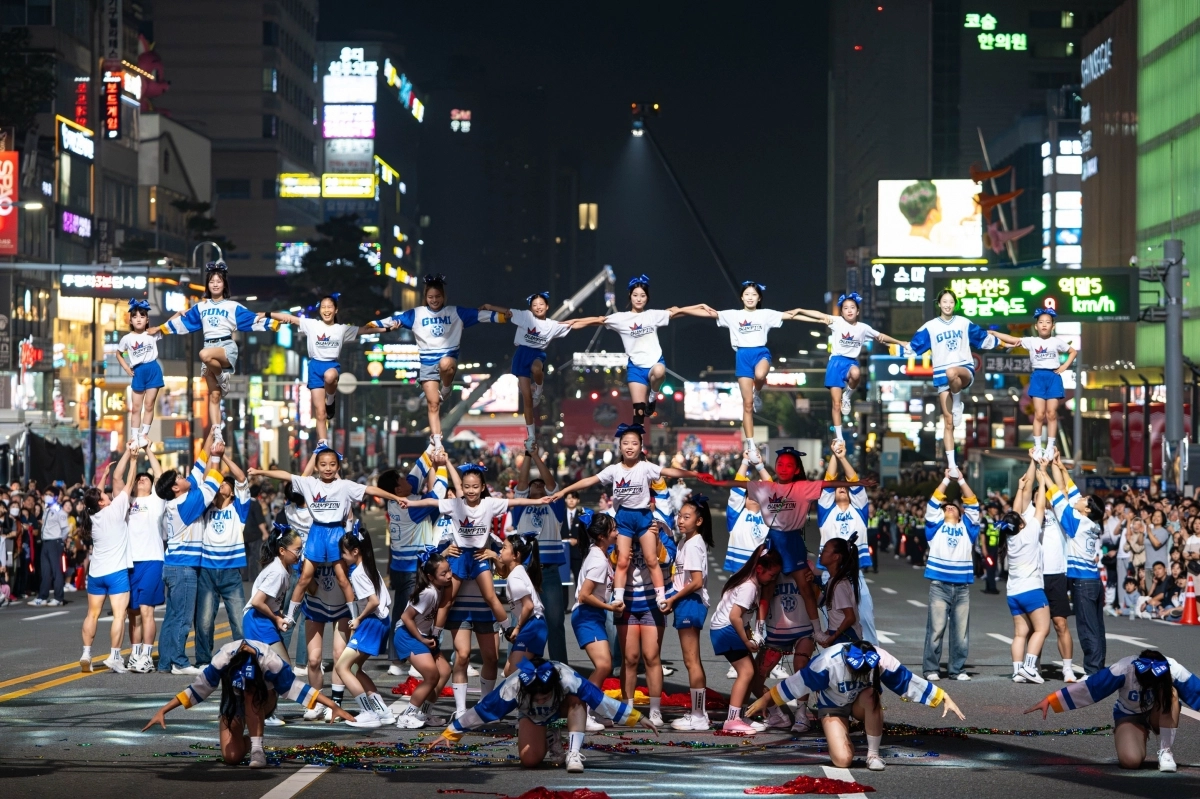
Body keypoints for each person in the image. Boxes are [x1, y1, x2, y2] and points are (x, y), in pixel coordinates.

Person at [249, 445, 404, 634]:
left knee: (342, 579)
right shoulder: (309, 484)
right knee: (304, 578)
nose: (328, 468)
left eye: (332, 464)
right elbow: (285, 475)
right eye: (323, 464)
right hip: (317, 532)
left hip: (336, 533)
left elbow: (371, 490)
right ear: (316, 467)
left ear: (338, 466)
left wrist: (394, 497)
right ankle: (289, 616)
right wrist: (258, 471)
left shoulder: (345, 485)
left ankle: (354, 617)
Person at [551, 424, 700, 616]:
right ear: (620, 447)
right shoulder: (613, 470)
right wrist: (563, 491)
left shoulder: (646, 467)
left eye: (634, 443)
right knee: (622, 561)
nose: (630, 447)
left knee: (651, 560)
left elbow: (669, 472)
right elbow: (589, 481)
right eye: (626, 443)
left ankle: (661, 597)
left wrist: (693, 474)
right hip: (624, 519)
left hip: (644, 517)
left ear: (640, 447)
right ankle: (619, 598)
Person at [748, 641, 965, 771]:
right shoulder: (826, 663)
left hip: (861, 703)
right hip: (833, 706)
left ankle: (873, 754)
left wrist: (942, 696)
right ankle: (839, 734)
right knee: (843, 760)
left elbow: (906, 681)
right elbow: (795, 684)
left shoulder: (879, 658)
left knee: (871, 693)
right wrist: (764, 700)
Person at [398, 458, 549, 644]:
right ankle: (435, 635)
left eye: (475, 487)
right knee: (447, 600)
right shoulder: (455, 504)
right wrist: (410, 503)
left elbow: (515, 502)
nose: (471, 491)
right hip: (460, 555)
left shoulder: (489, 504)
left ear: (483, 486)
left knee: (490, 596)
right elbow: (431, 502)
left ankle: (506, 628)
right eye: (467, 487)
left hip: (479, 556)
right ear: (462, 486)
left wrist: (539, 500)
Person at [142, 639, 354, 768]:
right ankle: (247, 737)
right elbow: (197, 689)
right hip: (232, 698)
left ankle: (257, 749)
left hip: (264, 696)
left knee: (251, 697)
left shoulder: (271, 662)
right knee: (231, 757)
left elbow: (299, 689)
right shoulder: (222, 660)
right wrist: (164, 710)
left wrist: (333, 705)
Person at [428, 657, 656, 774]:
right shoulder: (513, 686)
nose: (540, 699)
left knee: (579, 699)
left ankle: (574, 754)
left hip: (565, 706)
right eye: (536, 696)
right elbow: (484, 710)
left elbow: (600, 700)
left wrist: (637, 717)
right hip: (532, 717)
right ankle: (549, 732)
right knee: (530, 760)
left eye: (544, 695)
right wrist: (452, 732)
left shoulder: (567, 678)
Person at [672, 281, 806, 452]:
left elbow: (792, 315)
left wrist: (822, 319)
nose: (750, 297)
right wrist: (680, 310)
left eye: (754, 295)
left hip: (760, 353)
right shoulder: (732, 315)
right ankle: (750, 444)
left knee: (759, 375)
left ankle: (757, 391)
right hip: (742, 356)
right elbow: (705, 313)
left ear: (759, 298)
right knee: (747, 405)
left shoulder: (766, 314)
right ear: (742, 297)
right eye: (747, 294)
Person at [378, 274, 504, 451]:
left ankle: (446, 387)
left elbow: (490, 316)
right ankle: (437, 441)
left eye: (437, 296)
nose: (434, 300)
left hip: (447, 361)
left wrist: (505, 315)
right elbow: (385, 323)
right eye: (430, 297)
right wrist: (363, 329)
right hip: (427, 365)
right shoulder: (416, 314)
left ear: (444, 296)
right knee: (433, 403)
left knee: (446, 364)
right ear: (425, 297)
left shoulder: (455, 312)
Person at [1026, 649, 1200, 772]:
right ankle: (1135, 733)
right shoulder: (1124, 668)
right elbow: (1091, 687)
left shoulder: (1173, 668)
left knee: (1171, 693)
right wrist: (1052, 700)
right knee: (1130, 762)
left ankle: (1166, 751)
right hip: (1129, 716)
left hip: (1158, 713)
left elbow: (1196, 691)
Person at [159, 261, 275, 445]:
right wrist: (159, 330)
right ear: (207, 284)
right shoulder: (200, 307)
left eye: (218, 281)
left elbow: (252, 319)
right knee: (214, 396)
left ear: (224, 284)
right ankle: (217, 434)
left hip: (226, 347)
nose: (215, 284)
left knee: (204, 355)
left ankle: (223, 379)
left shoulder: (232, 306)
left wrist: (274, 322)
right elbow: (183, 322)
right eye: (211, 281)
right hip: (209, 344)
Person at [573, 275, 709, 426]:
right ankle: (638, 445)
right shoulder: (620, 318)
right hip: (636, 368)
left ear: (647, 298)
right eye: (635, 295)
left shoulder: (652, 315)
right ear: (630, 296)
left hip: (654, 364)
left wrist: (702, 306)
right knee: (638, 414)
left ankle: (653, 396)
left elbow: (678, 311)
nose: (639, 299)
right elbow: (597, 320)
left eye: (643, 296)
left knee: (659, 371)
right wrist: (564, 325)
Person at [268, 296, 391, 447]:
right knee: (320, 413)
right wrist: (267, 314)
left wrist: (388, 328)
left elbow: (365, 329)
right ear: (320, 310)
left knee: (330, 376)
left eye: (329, 307)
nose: (326, 310)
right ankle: (323, 445)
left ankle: (331, 399)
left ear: (336, 310)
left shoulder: (341, 329)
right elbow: (289, 318)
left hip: (331, 365)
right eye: (323, 307)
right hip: (314, 367)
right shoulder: (312, 324)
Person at [479, 293, 590, 451]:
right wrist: (490, 307)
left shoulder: (552, 325)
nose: (538, 307)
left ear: (547, 306)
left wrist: (599, 321)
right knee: (527, 400)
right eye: (535, 305)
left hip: (537, 353)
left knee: (537, 368)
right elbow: (507, 312)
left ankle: (538, 388)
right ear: (531, 308)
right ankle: (531, 436)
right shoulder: (525, 316)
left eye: (541, 304)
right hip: (521, 355)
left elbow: (574, 323)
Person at [788, 292, 906, 442]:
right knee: (836, 405)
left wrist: (900, 342)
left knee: (856, 374)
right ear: (842, 312)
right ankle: (839, 438)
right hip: (835, 363)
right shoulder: (837, 322)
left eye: (852, 307)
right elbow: (818, 315)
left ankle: (848, 395)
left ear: (858, 311)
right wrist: (800, 310)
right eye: (845, 308)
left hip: (850, 362)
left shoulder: (863, 328)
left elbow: (881, 337)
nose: (849, 310)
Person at [906, 289, 1000, 471]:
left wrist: (1003, 343)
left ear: (954, 304)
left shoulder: (963, 323)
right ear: (939, 304)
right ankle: (952, 465)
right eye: (944, 302)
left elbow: (983, 338)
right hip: (942, 376)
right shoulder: (931, 326)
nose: (948, 305)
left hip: (964, 369)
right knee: (948, 422)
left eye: (951, 302)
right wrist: (895, 348)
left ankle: (957, 402)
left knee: (952, 373)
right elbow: (913, 346)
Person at [155, 432, 225, 674]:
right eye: (180, 477)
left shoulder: (176, 501)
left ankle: (165, 662)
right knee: (184, 618)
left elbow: (198, 466)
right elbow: (213, 480)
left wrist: (211, 436)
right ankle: (179, 662)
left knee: (172, 617)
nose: (186, 477)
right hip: (184, 568)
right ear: (176, 487)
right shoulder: (187, 503)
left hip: (173, 565)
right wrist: (217, 456)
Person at [379, 446, 449, 677]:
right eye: (401, 478)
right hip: (412, 568)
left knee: (401, 610)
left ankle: (397, 659)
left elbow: (416, 472)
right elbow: (439, 493)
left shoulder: (395, 501)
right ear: (398, 488)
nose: (406, 477)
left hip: (400, 566)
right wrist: (442, 465)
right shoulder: (411, 506)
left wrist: (433, 446)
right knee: (410, 614)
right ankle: (404, 658)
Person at [709, 544, 783, 734]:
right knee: (747, 673)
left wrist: (755, 634)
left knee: (751, 675)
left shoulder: (753, 581)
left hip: (728, 628)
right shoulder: (749, 586)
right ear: (760, 568)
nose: (773, 579)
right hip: (726, 629)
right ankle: (732, 720)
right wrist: (747, 641)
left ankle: (740, 716)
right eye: (772, 575)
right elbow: (735, 616)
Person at [1046, 457, 1106, 676]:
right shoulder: (1092, 523)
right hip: (1093, 580)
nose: (1081, 498)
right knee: (1097, 627)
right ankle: (1098, 669)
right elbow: (1072, 493)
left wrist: (1044, 473)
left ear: (1087, 509)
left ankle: (1092, 672)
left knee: (1087, 628)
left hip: (1082, 581)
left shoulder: (1078, 522)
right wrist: (1061, 467)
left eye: (1085, 499)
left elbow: (1058, 498)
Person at [80, 445, 137, 674]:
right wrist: (133, 460)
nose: (107, 494)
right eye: (104, 494)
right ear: (102, 502)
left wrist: (103, 476)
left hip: (96, 573)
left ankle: (86, 653)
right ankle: (114, 656)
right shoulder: (115, 510)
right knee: (119, 615)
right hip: (116, 572)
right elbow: (129, 483)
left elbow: (95, 495)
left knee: (91, 614)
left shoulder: (92, 518)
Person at [922, 468, 981, 681]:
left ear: (960, 513)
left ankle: (957, 669)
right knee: (936, 630)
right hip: (939, 585)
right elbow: (933, 502)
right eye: (945, 506)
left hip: (962, 587)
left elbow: (973, 503)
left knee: (961, 633)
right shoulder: (934, 527)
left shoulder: (968, 529)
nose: (948, 507)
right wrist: (947, 479)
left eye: (953, 507)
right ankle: (931, 669)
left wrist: (962, 479)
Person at [511, 448, 569, 661]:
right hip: (525, 573)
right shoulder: (520, 507)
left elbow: (552, 483)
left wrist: (536, 456)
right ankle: (517, 669)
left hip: (549, 573)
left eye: (541, 484)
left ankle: (560, 669)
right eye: (533, 484)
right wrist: (527, 454)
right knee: (521, 623)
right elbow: (522, 481)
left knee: (555, 624)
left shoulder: (556, 507)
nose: (538, 484)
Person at [333, 527, 395, 729]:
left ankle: (368, 712)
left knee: (342, 667)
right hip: (382, 621)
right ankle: (382, 711)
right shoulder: (369, 567)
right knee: (355, 668)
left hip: (372, 622)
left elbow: (374, 601)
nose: (342, 557)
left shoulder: (359, 573)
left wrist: (358, 619)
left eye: (343, 552)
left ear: (355, 551)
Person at [195, 457, 252, 667]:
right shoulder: (205, 508)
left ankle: (244, 658)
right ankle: (202, 659)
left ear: (232, 491)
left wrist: (224, 455)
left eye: (225, 483)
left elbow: (241, 478)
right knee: (204, 620)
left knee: (238, 620)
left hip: (230, 572)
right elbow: (204, 481)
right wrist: (213, 458)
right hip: (207, 570)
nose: (221, 485)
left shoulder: (239, 509)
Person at [816, 439, 875, 643]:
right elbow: (828, 480)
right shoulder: (825, 511)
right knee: (833, 622)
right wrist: (833, 455)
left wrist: (842, 457)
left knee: (865, 618)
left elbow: (855, 480)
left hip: (854, 574)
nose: (842, 487)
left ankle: (871, 655)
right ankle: (834, 657)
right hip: (829, 575)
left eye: (846, 487)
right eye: (838, 486)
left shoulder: (859, 509)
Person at [664, 496, 713, 731]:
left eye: (686, 517)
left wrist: (673, 598)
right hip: (685, 601)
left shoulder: (693, 544)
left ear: (699, 520)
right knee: (690, 660)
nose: (680, 520)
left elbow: (696, 582)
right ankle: (698, 712)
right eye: (679, 516)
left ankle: (699, 715)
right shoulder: (686, 541)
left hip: (690, 601)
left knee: (692, 660)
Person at [570, 513, 622, 732]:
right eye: (613, 530)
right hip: (586, 615)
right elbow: (584, 595)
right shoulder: (598, 560)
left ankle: (593, 708)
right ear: (602, 536)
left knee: (605, 665)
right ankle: (584, 712)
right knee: (604, 665)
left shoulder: (599, 553)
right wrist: (610, 607)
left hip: (593, 615)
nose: (617, 532)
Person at [393, 551, 454, 729]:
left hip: (423, 636)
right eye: (443, 574)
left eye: (449, 570)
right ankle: (407, 715)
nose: (449, 575)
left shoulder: (438, 589)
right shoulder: (427, 593)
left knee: (444, 671)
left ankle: (424, 713)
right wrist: (422, 638)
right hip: (407, 635)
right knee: (432, 675)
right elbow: (405, 617)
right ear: (430, 577)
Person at [1005, 458, 1050, 683]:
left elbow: (1014, 513)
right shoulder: (1030, 531)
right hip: (1032, 589)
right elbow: (1039, 507)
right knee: (1042, 629)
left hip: (1013, 592)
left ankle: (1017, 670)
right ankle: (1030, 667)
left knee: (1020, 633)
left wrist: (1021, 488)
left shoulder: (1011, 537)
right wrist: (1041, 484)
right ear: (1021, 523)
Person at [1010, 308, 1076, 461]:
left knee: (1052, 414)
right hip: (1038, 377)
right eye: (1041, 322)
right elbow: (1012, 340)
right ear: (1036, 326)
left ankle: (1050, 447)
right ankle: (1038, 447)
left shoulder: (1056, 342)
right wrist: (994, 334)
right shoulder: (1032, 341)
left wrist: (1064, 367)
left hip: (1053, 377)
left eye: (1048, 322)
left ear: (1053, 326)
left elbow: (1073, 351)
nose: (1044, 325)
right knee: (1039, 414)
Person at [125, 451, 166, 673]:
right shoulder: (127, 500)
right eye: (139, 478)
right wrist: (131, 456)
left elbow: (159, 476)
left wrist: (148, 450)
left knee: (146, 610)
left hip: (152, 560)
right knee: (133, 613)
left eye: (146, 478)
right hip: (130, 563)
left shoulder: (156, 500)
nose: (142, 479)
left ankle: (147, 657)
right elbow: (121, 480)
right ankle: (135, 653)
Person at [241, 524, 303, 661]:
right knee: (283, 667)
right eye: (297, 550)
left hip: (265, 618)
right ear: (282, 551)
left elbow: (274, 602)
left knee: (269, 668)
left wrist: (279, 616)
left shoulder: (287, 569)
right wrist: (276, 618)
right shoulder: (278, 572)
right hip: (257, 619)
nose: (300, 554)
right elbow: (257, 602)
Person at [487, 533, 547, 675]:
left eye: (504, 548)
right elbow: (502, 571)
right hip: (532, 624)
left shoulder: (515, 576)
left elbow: (529, 605)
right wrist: (494, 557)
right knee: (509, 673)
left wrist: (518, 628)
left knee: (515, 674)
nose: (500, 550)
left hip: (533, 625)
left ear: (516, 555)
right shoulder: (516, 571)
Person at [115, 298, 165, 450]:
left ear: (147, 319)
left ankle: (144, 434)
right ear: (130, 320)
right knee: (136, 407)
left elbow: (169, 326)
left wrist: (179, 313)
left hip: (153, 370)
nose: (138, 319)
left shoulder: (152, 334)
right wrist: (126, 368)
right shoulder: (127, 338)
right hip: (138, 371)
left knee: (149, 405)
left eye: (142, 316)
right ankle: (134, 437)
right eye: (135, 316)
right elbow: (118, 353)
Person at [723, 457, 772, 572]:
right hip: (738, 572)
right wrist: (745, 461)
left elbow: (772, 490)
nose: (753, 497)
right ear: (743, 500)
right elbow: (737, 489)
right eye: (750, 494)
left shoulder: (769, 518)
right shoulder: (736, 516)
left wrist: (760, 465)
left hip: (759, 571)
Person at [816, 537, 863, 647]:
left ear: (836, 557)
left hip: (846, 637)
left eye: (825, 550)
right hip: (840, 635)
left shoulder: (838, 585)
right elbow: (836, 617)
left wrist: (832, 637)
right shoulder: (832, 581)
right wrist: (828, 633)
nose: (821, 553)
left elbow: (850, 617)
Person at [31, 485, 70, 607]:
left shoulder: (60, 511)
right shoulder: (47, 510)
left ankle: (58, 598)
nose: (47, 496)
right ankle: (43, 596)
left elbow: (65, 529)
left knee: (56, 570)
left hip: (55, 542)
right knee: (45, 571)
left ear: (56, 497)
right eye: (46, 494)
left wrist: (60, 540)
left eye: (50, 495)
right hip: (46, 542)